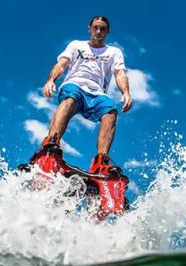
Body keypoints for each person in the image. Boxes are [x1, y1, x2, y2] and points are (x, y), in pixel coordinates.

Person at [36, 15, 132, 175]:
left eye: (102, 28)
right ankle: (51, 143)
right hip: (75, 85)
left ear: (107, 32)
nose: (98, 31)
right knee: (70, 100)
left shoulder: (114, 52)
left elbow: (120, 73)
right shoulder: (76, 45)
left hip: (97, 93)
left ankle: (101, 161)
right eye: (96, 27)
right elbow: (61, 64)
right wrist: (50, 80)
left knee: (110, 111)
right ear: (89, 28)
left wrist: (126, 93)